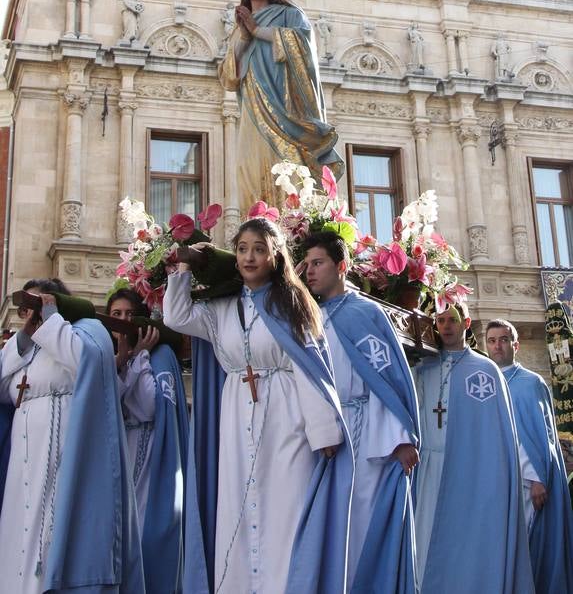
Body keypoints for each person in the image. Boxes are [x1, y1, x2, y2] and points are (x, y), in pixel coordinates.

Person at [163, 216, 353, 594]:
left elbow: (309, 367)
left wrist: (322, 431)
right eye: (242, 249)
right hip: (236, 413)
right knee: (239, 504)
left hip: (287, 416)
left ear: (274, 256)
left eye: (260, 249)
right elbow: (176, 316)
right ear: (234, 257)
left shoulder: (293, 303)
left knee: (285, 508)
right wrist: (184, 267)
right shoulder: (222, 310)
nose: (250, 257)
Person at [0, 277, 144, 593]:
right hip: (23, 460)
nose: (32, 314)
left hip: (63, 451)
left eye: (39, 304)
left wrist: (51, 319)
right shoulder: (21, 346)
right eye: (28, 308)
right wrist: (25, 336)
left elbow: (85, 360)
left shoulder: (82, 331)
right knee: (18, 534)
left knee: (49, 532)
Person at [302, 231, 420, 593]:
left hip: (367, 433)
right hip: (324, 435)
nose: (308, 271)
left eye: (317, 263)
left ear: (341, 267)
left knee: (363, 525)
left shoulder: (365, 312)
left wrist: (400, 439)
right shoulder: (310, 317)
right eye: (305, 264)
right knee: (328, 529)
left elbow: (385, 381)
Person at [414, 302, 534, 594]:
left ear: (466, 323)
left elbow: (496, 435)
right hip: (427, 469)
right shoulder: (422, 367)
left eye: (452, 320)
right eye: (440, 320)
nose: (445, 326)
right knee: (423, 538)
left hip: (466, 472)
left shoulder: (485, 371)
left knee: (462, 541)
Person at [218, 0, 342, 213]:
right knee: (250, 165)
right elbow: (229, 76)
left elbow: (302, 46)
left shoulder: (289, 14)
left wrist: (257, 29)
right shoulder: (239, 28)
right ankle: (256, 220)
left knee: (287, 167)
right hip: (253, 106)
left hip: (286, 108)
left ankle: (291, 221)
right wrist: (244, 34)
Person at [107, 287, 189, 594]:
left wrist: (140, 357)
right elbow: (102, 403)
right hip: (117, 454)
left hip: (150, 450)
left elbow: (149, 406)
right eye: (116, 315)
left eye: (129, 314)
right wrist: (121, 361)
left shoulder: (159, 354)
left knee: (146, 533)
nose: (123, 321)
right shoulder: (107, 355)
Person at [485, 318, 573, 593]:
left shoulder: (530, 383)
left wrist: (537, 479)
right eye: (491, 340)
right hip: (495, 483)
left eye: (503, 340)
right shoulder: (484, 383)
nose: (497, 346)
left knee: (528, 549)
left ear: (515, 345)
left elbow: (540, 437)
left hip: (527, 484)